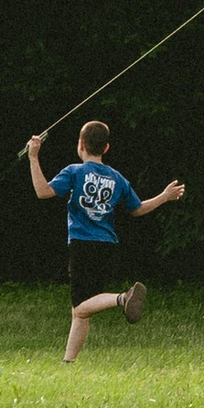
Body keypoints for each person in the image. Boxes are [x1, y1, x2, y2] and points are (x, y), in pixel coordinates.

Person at [27, 118, 186, 365]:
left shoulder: (74, 171)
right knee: (83, 310)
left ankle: (123, 298)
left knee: (81, 306)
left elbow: (42, 191)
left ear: (81, 144)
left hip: (82, 244)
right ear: (106, 148)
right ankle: (68, 362)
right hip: (107, 245)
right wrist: (164, 197)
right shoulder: (117, 177)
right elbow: (137, 209)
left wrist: (33, 156)